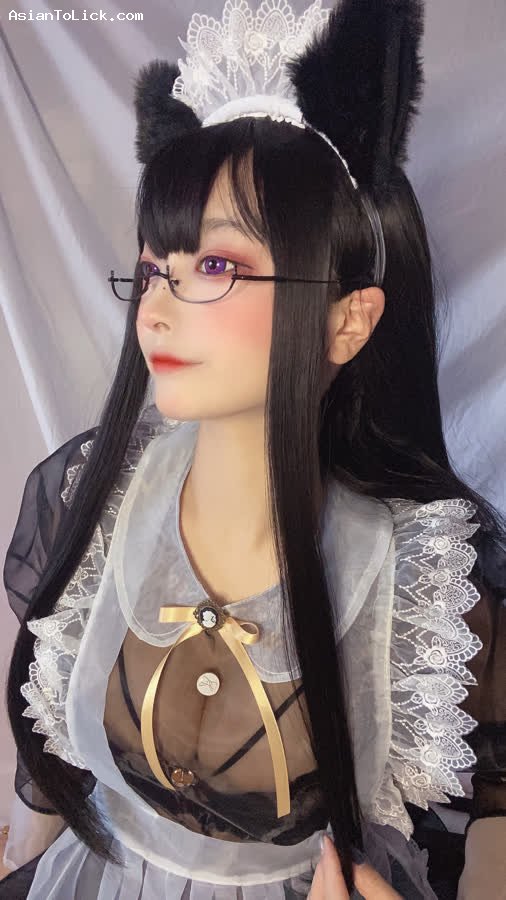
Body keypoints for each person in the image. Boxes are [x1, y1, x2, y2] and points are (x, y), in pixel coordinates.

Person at [2, 0, 505, 897]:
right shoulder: (90, 495)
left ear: (348, 321)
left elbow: (497, 817)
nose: (155, 310)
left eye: (216, 266)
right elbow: (51, 759)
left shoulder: (425, 582)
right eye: (156, 267)